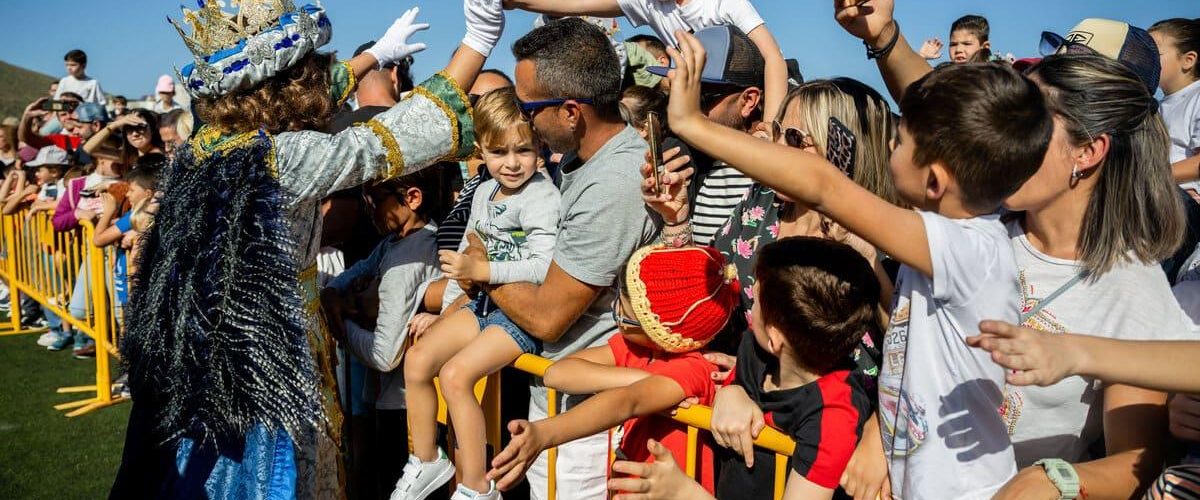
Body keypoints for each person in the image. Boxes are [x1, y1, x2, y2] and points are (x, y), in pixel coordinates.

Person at [112, 0, 505, 497]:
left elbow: (306, 99)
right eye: (308, 67)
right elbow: (396, 136)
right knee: (289, 474)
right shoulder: (285, 158)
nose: (322, 73)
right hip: (268, 358)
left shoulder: (207, 143)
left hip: (203, 354)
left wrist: (377, 55)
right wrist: (478, 41)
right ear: (287, 84)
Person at [664, 24, 1054, 499]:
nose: (890, 145)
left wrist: (691, 124)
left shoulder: (969, 249)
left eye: (900, 142)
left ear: (933, 181)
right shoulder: (950, 245)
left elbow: (824, 186)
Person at [837, 7, 1195, 497]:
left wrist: (1057, 479)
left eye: (1031, 124)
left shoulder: (1129, 284)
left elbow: (1137, 459)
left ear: (1087, 151)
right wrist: (884, 431)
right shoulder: (979, 223)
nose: (1006, 137)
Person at [453, 18, 657, 500]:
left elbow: (547, 315)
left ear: (570, 112)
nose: (524, 118)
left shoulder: (613, 183)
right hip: (558, 398)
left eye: (529, 107)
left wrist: (482, 268)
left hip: (591, 417)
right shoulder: (576, 163)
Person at [398, 86, 562, 500]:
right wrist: (448, 311)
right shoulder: (484, 190)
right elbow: (464, 259)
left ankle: (476, 486)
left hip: (519, 314)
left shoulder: (542, 196)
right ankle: (428, 460)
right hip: (480, 305)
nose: (511, 163)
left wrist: (483, 270)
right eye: (498, 152)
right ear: (480, 150)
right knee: (418, 360)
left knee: (455, 376)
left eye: (522, 151)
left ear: (538, 147)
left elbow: (544, 265)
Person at [486, 244, 736, 495]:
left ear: (660, 330)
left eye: (626, 315)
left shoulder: (693, 369)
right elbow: (557, 373)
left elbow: (628, 401)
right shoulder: (636, 349)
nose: (617, 315)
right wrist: (642, 377)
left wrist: (544, 434)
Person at [320, 168, 448, 500]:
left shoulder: (405, 263)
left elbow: (384, 355)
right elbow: (358, 270)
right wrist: (335, 294)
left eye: (375, 200)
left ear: (413, 198)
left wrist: (342, 327)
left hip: (403, 410)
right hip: (392, 400)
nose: (368, 209)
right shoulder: (395, 242)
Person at [506, 0, 787, 124]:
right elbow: (576, 3)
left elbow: (773, 57)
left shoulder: (722, 3)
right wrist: (518, 1)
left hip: (752, 100)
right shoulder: (650, 3)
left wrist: (774, 126)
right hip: (698, 101)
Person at [645, 25, 767, 246]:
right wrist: (675, 217)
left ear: (748, 101)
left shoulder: (775, 174)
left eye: (701, 96)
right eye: (679, 93)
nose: (685, 108)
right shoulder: (684, 158)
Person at [51, 136, 127, 359]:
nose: (119, 162)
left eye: (121, 158)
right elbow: (57, 221)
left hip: (118, 255)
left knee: (121, 314)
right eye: (113, 158)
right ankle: (103, 345)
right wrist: (77, 215)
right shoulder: (77, 185)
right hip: (91, 256)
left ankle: (124, 361)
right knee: (79, 310)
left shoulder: (129, 184)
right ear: (100, 159)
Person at [92, 165, 160, 310]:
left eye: (132, 190)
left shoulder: (135, 216)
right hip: (130, 287)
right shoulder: (136, 215)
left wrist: (108, 212)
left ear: (148, 193)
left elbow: (98, 240)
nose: (127, 195)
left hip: (133, 288)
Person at [1152, 19, 1200, 193]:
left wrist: (1149, 177)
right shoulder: (1153, 108)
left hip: (1182, 201)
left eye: (1154, 53)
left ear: (1188, 60)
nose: (1146, 60)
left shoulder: (1197, 97)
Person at [83, 108, 166, 162]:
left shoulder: (165, 154)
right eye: (129, 128)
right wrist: (114, 125)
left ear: (152, 129)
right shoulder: (129, 158)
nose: (135, 133)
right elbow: (88, 149)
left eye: (141, 127)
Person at [918, 14, 992, 64]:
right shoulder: (943, 77)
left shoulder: (995, 78)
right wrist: (921, 57)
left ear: (985, 46)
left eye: (967, 44)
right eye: (953, 44)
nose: (958, 50)